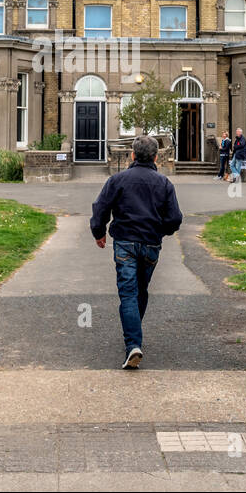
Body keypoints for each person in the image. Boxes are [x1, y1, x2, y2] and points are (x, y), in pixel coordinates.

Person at [89, 135, 183, 369]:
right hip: (150, 244)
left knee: (129, 292)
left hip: (125, 242)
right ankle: (134, 339)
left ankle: (133, 343)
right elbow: (174, 219)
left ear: (132, 155)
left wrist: (98, 232)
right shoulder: (164, 184)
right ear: (155, 157)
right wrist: (160, 231)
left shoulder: (118, 180)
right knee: (140, 290)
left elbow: (101, 208)